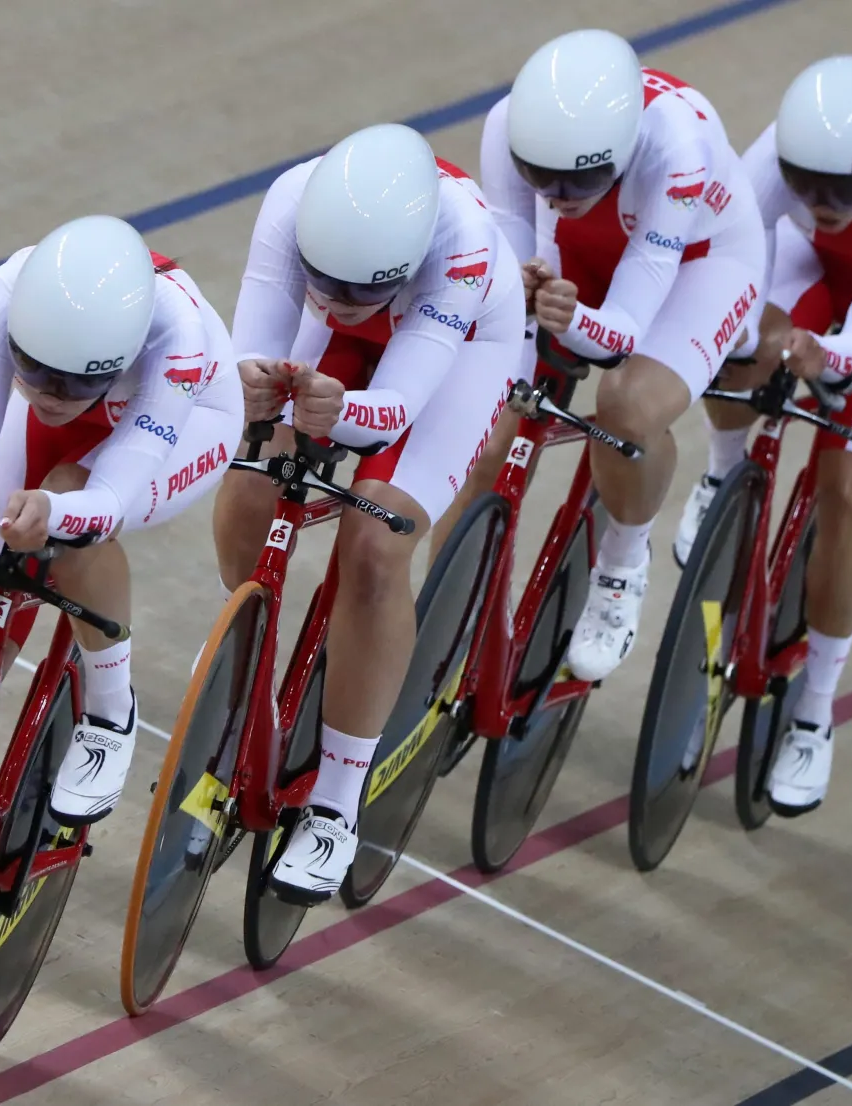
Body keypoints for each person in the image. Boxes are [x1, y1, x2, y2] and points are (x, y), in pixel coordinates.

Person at [216, 122, 525, 903]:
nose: (339, 301)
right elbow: (249, 360)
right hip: (357, 343)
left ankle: (336, 803)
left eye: (357, 290)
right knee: (251, 476)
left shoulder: (464, 249)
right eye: (326, 282)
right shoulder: (294, 203)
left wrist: (338, 409)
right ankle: (242, 671)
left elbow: (395, 409)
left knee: (375, 542)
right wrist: (258, 394)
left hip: (456, 349)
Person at [676, 55, 852, 814]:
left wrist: (823, 356)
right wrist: (752, 338)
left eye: (849, 193)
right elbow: (730, 257)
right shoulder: (770, 159)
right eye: (808, 187)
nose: (825, 203)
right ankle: (721, 471)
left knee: (844, 493)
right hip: (807, 266)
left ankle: (814, 713)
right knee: (739, 341)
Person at [457, 28, 766, 684]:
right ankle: (449, 622)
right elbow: (513, 271)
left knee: (624, 405)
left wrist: (569, 318)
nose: (561, 193)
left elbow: (623, 329)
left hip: (698, 265)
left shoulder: (677, 151)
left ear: (624, 151)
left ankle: (622, 564)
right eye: (541, 178)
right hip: (584, 264)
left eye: (583, 176)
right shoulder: (505, 126)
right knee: (483, 437)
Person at [0, 214, 244, 825]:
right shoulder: (6, 292)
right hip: (97, 413)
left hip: (188, 421)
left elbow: (112, 496)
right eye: (33, 371)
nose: (48, 392)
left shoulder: (178, 336)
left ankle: (110, 709)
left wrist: (54, 510)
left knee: (70, 500)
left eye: (70, 382)